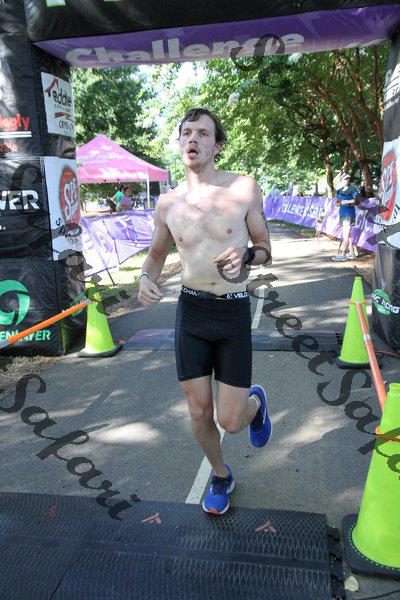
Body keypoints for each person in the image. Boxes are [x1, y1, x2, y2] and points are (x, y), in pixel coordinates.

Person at [138, 107, 272, 515]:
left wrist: (247, 256)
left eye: (202, 133)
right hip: (192, 312)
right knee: (198, 411)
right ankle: (221, 475)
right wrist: (145, 277)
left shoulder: (243, 188)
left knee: (231, 421)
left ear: (217, 145)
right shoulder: (168, 202)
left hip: (232, 313)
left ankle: (254, 404)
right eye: (186, 133)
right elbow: (156, 255)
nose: (192, 139)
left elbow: (265, 249)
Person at [331, 174, 359, 261]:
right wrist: (339, 203)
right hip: (342, 214)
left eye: (348, 179)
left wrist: (349, 203)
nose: (347, 180)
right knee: (347, 234)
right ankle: (351, 252)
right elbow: (336, 203)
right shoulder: (339, 191)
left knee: (345, 234)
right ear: (341, 180)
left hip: (349, 214)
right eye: (345, 179)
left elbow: (357, 202)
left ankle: (343, 254)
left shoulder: (353, 190)